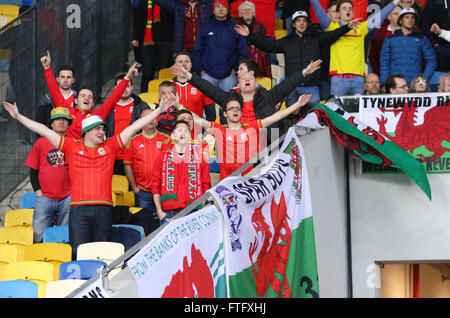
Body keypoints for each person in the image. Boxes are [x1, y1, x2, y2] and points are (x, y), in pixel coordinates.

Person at [2, 92, 172, 259]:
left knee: (102, 253)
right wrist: (18, 116)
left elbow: (134, 127)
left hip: (104, 208)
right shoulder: (71, 146)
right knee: (78, 252)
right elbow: (44, 131)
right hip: (79, 209)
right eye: (98, 129)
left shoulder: (110, 146)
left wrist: (158, 111)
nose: (102, 132)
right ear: (87, 131)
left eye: (103, 129)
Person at [171, 57, 322, 137]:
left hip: (266, 145)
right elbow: (209, 89)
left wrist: (305, 72)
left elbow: (287, 84)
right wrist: (189, 76)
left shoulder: (266, 96)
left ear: (256, 83)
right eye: (244, 79)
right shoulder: (230, 98)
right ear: (239, 84)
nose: (248, 80)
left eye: (251, 78)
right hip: (236, 145)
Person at [235, 10, 357, 106]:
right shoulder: (286, 41)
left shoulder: (316, 38)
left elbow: (333, 35)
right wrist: (249, 36)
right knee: (292, 121)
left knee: (313, 119)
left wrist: (347, 27)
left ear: (307, 23)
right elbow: (267, 46)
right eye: (298, 21)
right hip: (292, 87)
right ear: (293, 24)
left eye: (304, 20)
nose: (301, 23)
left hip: (312, 87)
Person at [188, 92, 312, 180]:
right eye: (232, 109)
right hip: (228, 185)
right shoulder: (220, 130)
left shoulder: (251, 127)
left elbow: (275, 117)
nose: (235, 110)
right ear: (225, 114)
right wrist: (178, 105)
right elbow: (198, 120)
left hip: (250, 183)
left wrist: (297, 105)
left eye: (237, 108)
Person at [41, 51, 139, 139]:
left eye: (90, 97)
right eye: (83, 96)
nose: (86, 98)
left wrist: (127, 77)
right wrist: (47, 68)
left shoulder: (97, 115)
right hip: (70, 154)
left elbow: (114, 98)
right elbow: (55, 92)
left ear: (92, 103)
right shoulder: (67, 112)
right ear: (76, 101)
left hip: (90, 156)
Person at [310, 0, 400, 96]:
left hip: (358, 79)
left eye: (350, 8)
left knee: (359, 111)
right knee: (336, 110)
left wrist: (395, 2)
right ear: (338, 13)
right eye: (344, 8)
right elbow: (319, 13)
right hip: (338, 79)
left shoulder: (361, 28)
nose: (347, 10)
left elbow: (380, 16)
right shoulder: (332, 27)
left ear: (353, 12)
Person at [25, 107, 72, 243]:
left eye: (64, 120)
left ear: (68, 123)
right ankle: (39, 261)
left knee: (64, 235)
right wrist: (38, 193)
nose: (61, 122)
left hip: (67, 198)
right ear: (51, 124)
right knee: (39, 234)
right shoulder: (40, 143)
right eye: (57, 120)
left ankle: (62, 260)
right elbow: (33, 171)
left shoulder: (73, 143)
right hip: (45, 197)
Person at [151, 120, 211, 225]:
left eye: (186, 131)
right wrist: (159, 211)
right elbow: (156, 186)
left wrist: (201, 206)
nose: (183, 133)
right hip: (168, 213)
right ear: (173, 136)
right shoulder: (162, 157)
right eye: (179, 130)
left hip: (194, 210)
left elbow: (206, 185)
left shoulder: (200, 157)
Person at [124, 108, 171, 222]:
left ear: (157, 120)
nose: (150, 120)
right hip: (143, 193)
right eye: (146, 118)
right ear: (140, 121)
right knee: (144, 225)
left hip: (163, 192)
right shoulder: (133, 141)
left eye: (153, 117)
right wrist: (135, 189)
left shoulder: (166, 139)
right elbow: (128, 166)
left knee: (165, 225)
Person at [191, 0, 249, 92]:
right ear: (213, 10)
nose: (221, 9)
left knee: (229, 105)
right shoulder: (205, 27)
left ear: (228, 9)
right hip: (207, 76)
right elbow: (197, 51)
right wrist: (201, 71)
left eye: (224, 6)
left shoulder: (236, 28)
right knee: (207, 105)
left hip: (229, 76)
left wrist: (236, 69)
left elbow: (243, 52)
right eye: (218, 6)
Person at [105, 73, 151, 175]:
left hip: (134, 157)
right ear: (116, 88)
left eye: (128, 86)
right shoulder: (108, 107)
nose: (125, 89)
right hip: (113, 157)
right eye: (121, 86)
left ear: (132, 87)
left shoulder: (141, 106)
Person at [380, 8, 436, 86]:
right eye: (407, 17)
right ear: (400, 21)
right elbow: (384, 64)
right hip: (395, 85)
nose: (410, 20)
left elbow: (432, 60)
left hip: (414, 85)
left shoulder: (422, 38)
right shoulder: (389, 39)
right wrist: (384, 84)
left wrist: (423, 80)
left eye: (412, 17)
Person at [132, 0, 175, 93]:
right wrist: (135, 37)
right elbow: (138, 19)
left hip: (166, 40)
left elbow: (175, 18)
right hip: (148, 41)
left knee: (164, 71)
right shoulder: (144, 2)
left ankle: (165, 97)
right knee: (147, 72)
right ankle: (144, 100)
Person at [171, 52, 216, 122]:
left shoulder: (201, 84)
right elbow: (163, 111)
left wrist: (205, 130)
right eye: (180, 62)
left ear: (191, 65)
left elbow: (211, 113)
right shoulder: (168, 86)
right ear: (175, 65)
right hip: (174, 128)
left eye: (187, 61)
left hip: (197, 128)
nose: (184, 64)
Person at [236, 1, 272, 78]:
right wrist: (251, 43)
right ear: (240, 13)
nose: (247, 12)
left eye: (249, 9)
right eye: (244, 10)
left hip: (258, 58)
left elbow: (260, 42)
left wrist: (248, 40)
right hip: (241, 56)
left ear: (253, 12)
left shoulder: (261, 26)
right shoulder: (236, 27)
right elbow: (239, 43)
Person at [368, 5, 402, 76]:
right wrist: (379, 73)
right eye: (395, 14)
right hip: (383, 74)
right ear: (388, 16)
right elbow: (372, 56)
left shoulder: (412, 32)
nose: (399, 16)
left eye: (401, 14)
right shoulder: (379, 34)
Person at [421, 0, 450, 73]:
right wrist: (434, 44)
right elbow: (426, 25)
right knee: (441, 79)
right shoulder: (432, 2)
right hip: (439, 48)